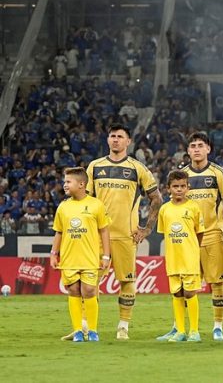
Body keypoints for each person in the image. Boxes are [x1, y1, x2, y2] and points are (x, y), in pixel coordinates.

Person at [85, 124, 161, 340]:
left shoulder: (137, 168)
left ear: (128, 142)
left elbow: (157, 198)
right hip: (98, 235)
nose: (115, 139)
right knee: (90, 282)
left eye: (120, 136)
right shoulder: (94, 167)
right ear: (107, 140)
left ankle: (123, 326)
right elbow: (86, 200)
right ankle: (88, 326)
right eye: (112, 136)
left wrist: (147, 229)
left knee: (127, 281)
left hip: (126, 235)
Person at [157, 133, 223, 341]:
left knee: (217, 282)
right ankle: (178, 327)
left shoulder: (218, 172)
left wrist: (221, 224)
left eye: (201, 145)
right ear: (188, 150)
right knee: (183, 284)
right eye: (193, 146)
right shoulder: (181, 175)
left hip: (211, 234)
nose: (197, 149)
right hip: (187, 238)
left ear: (208, 149)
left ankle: (218, 327)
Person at [51, 167, 111, 342]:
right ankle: (78, 330)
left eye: (68, 181)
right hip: (69, 258)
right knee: (74, 291)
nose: (65, 185)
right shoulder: (63, 207)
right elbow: (59, 232)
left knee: (90, 290)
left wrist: (106, 256)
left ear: (82, 184)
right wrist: (54, 253)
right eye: (65, 181)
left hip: (90, 257)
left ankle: (92, 330)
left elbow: (104, 231)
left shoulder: (96, 205)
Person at [157, 170, 204, 342]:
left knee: (190, 293)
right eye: (175, 186)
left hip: (189, 257)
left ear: (188, 187)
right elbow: (165, 234)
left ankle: (194, 331)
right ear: (168, 188)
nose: (179, 189)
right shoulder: (164, 209)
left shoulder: (193, 207)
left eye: (182, 186)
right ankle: (181, 331)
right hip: (173, 258)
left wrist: (193, 250)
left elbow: (199, 233)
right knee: (177, 293)